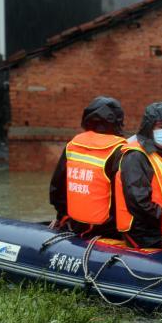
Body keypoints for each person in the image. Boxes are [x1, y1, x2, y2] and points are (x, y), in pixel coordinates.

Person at [49, 96, 126, 237]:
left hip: (74, 224)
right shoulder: (120, 150)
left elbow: (56, 189)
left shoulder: (72, 145)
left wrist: (62, 216)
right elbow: (125, 199)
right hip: (107, 231)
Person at [114, 102, 162, 249]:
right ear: (149, 128)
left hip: (160, 224)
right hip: (142, 231)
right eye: (161, 127)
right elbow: (139, 203)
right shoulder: (136, 156)